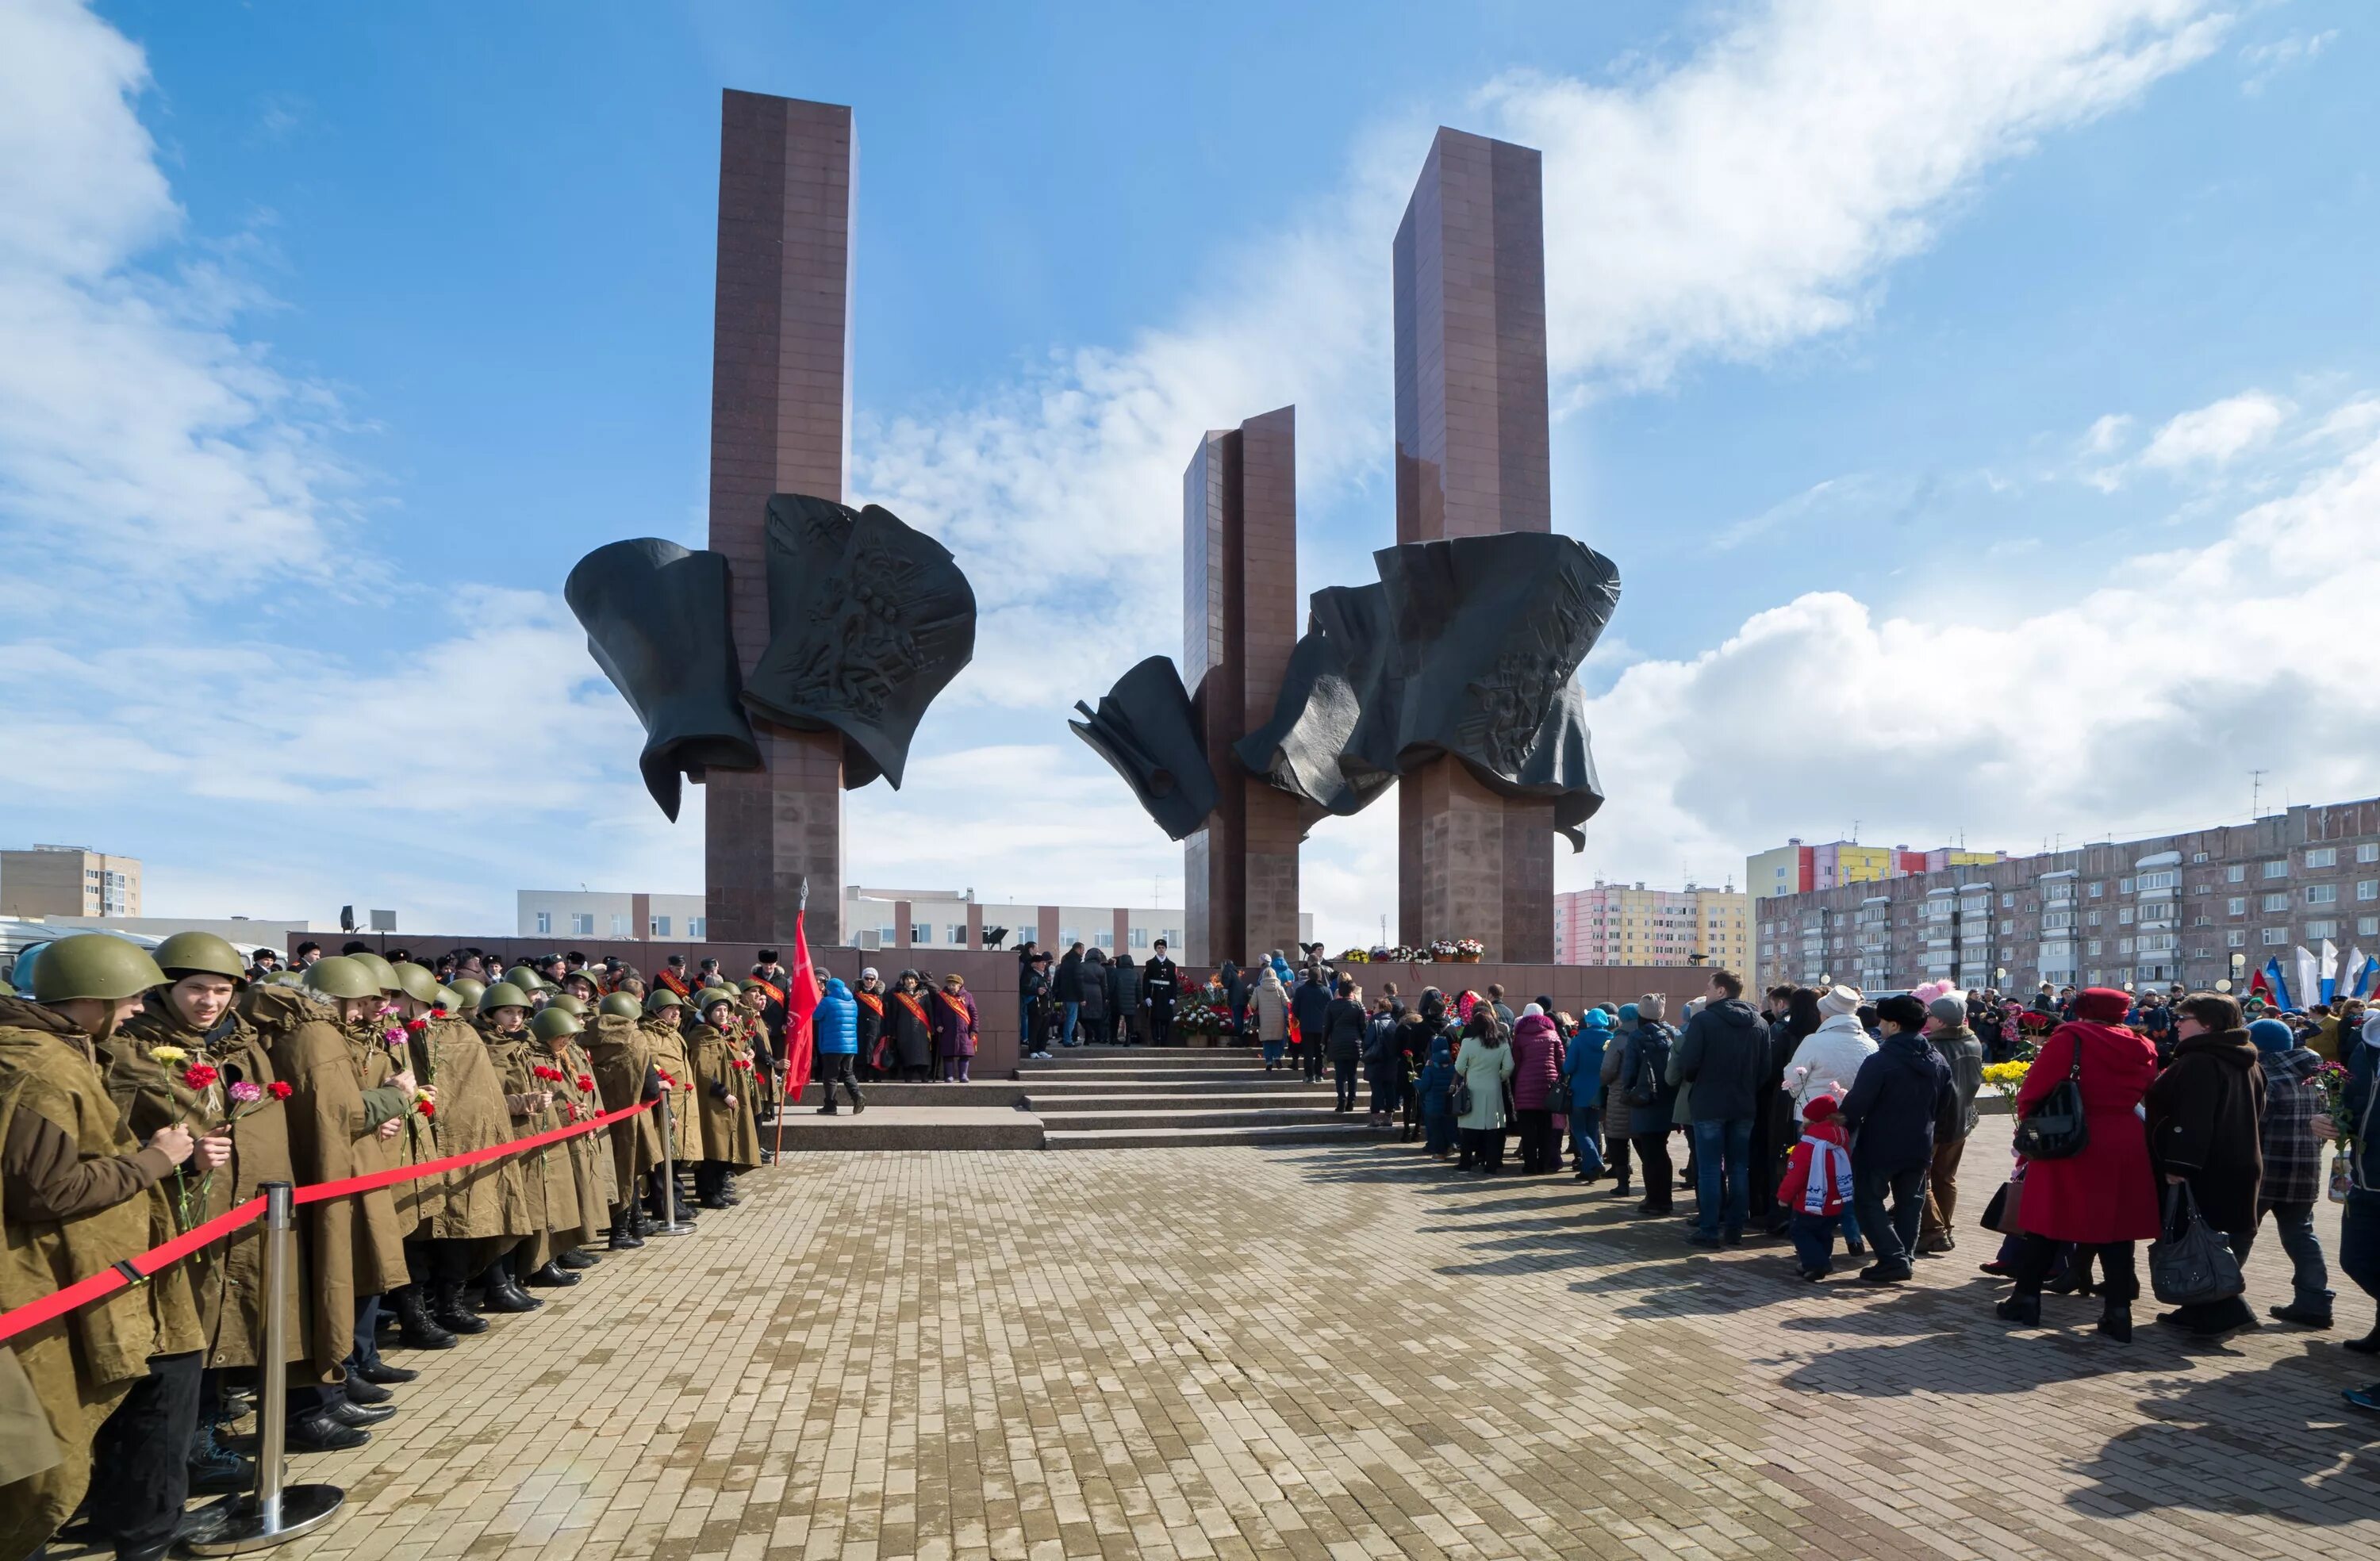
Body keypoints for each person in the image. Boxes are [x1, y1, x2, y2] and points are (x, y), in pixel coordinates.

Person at [0, 934, 221, 1561]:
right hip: (80, 1274)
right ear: (92, 998)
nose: (135, 1010)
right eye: (129, 998)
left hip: (108, 1267)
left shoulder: (62, 1052)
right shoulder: (44, 1066)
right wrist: (155, 1160)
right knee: (134, 1406)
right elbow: (47, 1190)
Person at [1995, 987, 2160, 1341]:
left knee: (2047, 1219)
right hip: (2124, 1137)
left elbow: (2033, 1091)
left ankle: (2026, 1299)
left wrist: (2031, 1127)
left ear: (2082, 1009)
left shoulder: (2070, 1038)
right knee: (2117, 1226)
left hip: (2070, 1135)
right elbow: (2149, 1090)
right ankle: (2118, 1312)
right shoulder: (2143, 1045)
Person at [2145, 991, 2265, 1336]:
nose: (2177, 1024)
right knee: (2208, 1235)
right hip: (2236, 1159)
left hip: (2204, 1168)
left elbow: (2193, 1119)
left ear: (2208, 1024)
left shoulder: (2201, 1061)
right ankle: (2197, 1308)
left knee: (2198, 1236)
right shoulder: (2246, 1059)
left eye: (2185, 1019)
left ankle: (2225, 1309)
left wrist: (2179, 1165)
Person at [1835, 993, 1954, 1283]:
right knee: (1910, 1204)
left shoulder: (1880, 1061)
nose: (1881, 1027)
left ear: (1895, 1025)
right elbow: (1946, 1104)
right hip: (1919, 1144)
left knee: (1867, 1201)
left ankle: (1894, 1258)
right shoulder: (1938, 1060)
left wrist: (1840, 1133)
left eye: (1884, 1022)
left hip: (1880, 1144)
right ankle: (1905, 1256)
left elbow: (1857, 1105)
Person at [1670, 969, 1768, 1246]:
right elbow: (1766, 1069)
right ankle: (1736, 1229)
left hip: (1709, 1103)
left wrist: (1700, 1080)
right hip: (1744, 1105)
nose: (1708, 992)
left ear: (1722, 991)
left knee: (1711, 1169)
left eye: (1710, 987)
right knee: (1739, 1168)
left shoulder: (1704, 1021)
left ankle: (1710, 1229)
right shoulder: (1759, 1024)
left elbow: (1689, 1065)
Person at [2248, 1014, 2334, 1328]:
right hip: (2306, 1169)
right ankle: (2314, 1302)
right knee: (2301, 1235)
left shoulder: (2264, 1076)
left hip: (2265, 1171)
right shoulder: (2316, 1075)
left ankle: (2221, 1299)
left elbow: (2254, 1128)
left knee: (2239, 1233)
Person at [1917, 991, 1986, 1256]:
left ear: (1942, 1022)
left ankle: (1935, 1232)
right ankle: (1945, 1227)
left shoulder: (1933, 1047)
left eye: (1931, 1016)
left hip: (1936, 1123)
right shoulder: (1973, 1041)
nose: (1927, 1019)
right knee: (1946, 1177)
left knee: (1919, 1179)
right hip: (1962, 1120)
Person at [1779, 1092, 1856, 1280]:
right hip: (1834, 1200)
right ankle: (1814, 1262)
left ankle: (1818, 1264)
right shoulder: (1841, 1141)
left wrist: (1784, 1196)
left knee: (1800, 1231)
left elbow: (1796, 1174)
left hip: (1809, 1201)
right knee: (1824, 1232)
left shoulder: (1808, 1145)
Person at [1619, 999, 1679, 1215]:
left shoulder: (1638, 1036)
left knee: (1651, 1153)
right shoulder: (1672, 1033)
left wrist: (1627, 1093)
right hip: (1669, 1099)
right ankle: (1665, 1198)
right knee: (1661, 1150)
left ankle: (1656, 1200)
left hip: (1646, 1100)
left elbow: (1629, 1071)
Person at [1453, 1008, 1514, 1173]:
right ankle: (1491, 1165)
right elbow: (1509, 1067)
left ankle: (1465, 1162)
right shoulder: (1502, 1043)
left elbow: (1459, 1067)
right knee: (1493, 1129)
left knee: (1469, 1128)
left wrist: (1469, 1073)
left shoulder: (1468, 1043)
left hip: (1473, 1088)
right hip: (1493, 1088)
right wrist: (1499, 1077)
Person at [1509, 1003, 1565, 1174]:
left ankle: (1530, 1165)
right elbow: (1561, 1061)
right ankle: (1544, 1164)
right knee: (1546, 1128)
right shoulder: (1553, 1034)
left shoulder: (1519, 1036)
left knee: (1528, 1130)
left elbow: (1516, 1062)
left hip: (1525, 1086)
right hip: (1548, 1086)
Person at [1562, 1008, 1611, 1181]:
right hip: (1600, 1091)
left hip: (1579, 1090)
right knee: (1593, 1129)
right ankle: (1589, 1170)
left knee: (1578, 1129)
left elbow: (1568, 1067)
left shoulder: (1579, 1039)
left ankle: (1595, 1163)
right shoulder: (1610, 1040)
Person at [810, 973, 862, 1115]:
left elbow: (815, 1016)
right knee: (848, 1073)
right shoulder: (853, 1002)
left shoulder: (827, 1001)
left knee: (831, 1076)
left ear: (830, 989)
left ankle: (830, 1106)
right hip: (850, 1046)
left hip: (832, 1045)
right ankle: (857, 1096)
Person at [1324, 980, 1368, 1113]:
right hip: (1354, 1043)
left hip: (1337, 1042)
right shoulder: (1358, 1005)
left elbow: (1327, 1026)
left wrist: (1324, 1042)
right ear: (1351, 992)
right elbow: (1363, 1027)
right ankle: (1351, 1102)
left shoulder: (1331, 1005)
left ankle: (1341, 1102)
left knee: (1340, 1074)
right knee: (1352, 1074)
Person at [931, 971, 980, 1081]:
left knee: (964, 1054)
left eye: (953, 985)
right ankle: (949, 1075)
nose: (951, 987)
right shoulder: (942, 996)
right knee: (948, 1054)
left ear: (959, 985)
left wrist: (974, 1029)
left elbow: (974, 1014)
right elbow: (937, 1013)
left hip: (964, 1031)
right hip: (948, 1031)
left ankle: (963, 1075)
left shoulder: (967, 996)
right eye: (949, 985)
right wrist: (938, 1024)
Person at [886, 972, 935, 1082]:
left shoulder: (924, 994)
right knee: (906, 1053)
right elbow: (894, 1014)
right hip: (904, 1029)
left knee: (923, 1053)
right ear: (903, 981)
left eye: (912, 979)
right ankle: (908, 1076)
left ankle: (924, 1076)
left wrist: (932, 1026)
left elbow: (930, 1011)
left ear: (916, 981)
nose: (910, 981)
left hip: (922, 1029)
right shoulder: (898, 995)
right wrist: (893, 1031)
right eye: (907, 979)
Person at [1416, 1034, 1457, 1157]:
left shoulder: (1430, 1067)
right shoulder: (1452, 1066)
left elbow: (1424, 1086)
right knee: (1448, 1127)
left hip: (1433, 1104)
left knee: (1436, 1130)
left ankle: (1440, 1153)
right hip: (1449, 1104)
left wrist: (1415, 1081)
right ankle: (1450, 1146)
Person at [1362, 995, 1401, 1127]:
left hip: (1376, 1062)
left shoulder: (1375, 1023)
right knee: (1389, 1089)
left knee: (1377, 1090)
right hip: (1391, 1062)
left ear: (1382, 1008)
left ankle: (1374, 1118)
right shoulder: (1394, 1023)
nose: (1373, 1010)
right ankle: (1388, 1117)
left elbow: (1367, 1042)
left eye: (1375, 1008)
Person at [1290, 967, 1332, 1086]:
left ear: (1309, 976)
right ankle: (1319, 1074)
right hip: (1322, 1026)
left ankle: (1309, 1076)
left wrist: (1300, 1017)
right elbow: (1330, 1008)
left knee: (1308, 1051)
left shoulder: (1301, 990)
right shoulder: (1326, 991)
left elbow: (1295, 1009)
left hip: (1306, 1025)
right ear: (1320, 977)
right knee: (1320, 1051)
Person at [1142, 940, 1180, 1047]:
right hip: (1155, 995)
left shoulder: (1171, 965)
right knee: (1154, 1019)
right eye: (1159, 948)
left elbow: (1173, 982)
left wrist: (1173, 997)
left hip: (1166, 996)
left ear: (1166, 949)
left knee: (1166, 1020)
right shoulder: (1150, 963)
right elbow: (1146, 982)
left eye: (1163, 948)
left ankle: (1164, 1040)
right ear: (1156, 949)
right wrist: (1147, 997)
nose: (1161, 950)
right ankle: (1155, 1039)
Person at [1253, 964, 1289, 1072]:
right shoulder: (1280, 988)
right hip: (1278, 1018)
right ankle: (1277, 1057)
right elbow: (1286, 1002)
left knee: (1267, 1041)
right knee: (1277, 1039)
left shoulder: (1258, 989)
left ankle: (1269, 1062)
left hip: (1264, 1019)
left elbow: (1253, 1004)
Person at [853, 968, 887, 1078]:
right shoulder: (856, 994)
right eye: (867, 978)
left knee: (876, 1052)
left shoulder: (882, 995)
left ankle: (877, 1077)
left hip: (876, 1028)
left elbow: (887, 1012)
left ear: (876, 981)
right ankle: (863, 1076)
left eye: (872, 979)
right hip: (860, 1027)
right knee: (862, 1051)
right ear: (863, 980)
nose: (869, 981)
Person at [1054, 942, 1087, 1048]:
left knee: (1064, 1017)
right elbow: (1079, 981)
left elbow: (1057, 980)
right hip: (1073, 996)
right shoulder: (1076, 963)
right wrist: (1082, 998)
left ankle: (1065, 1037)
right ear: (1079, 949)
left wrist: (1056, 995)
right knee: (1072, 1018)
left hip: (1062, 996)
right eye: (1083, 949)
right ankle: (1068, 1040)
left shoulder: (1064, 962)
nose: (1083, 952)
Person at [1107, 951, 1141, 1046]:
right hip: (1131, 1002)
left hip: (1116, 1000)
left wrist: (1109, 998)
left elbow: (1111, 987)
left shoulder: (1115, 972)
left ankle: (1113, 1038)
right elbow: (1138, 989)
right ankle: (1128, 1039)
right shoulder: (1135, 974)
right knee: (1129, 1021)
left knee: (1114, 1019)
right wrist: (1138, 1001)